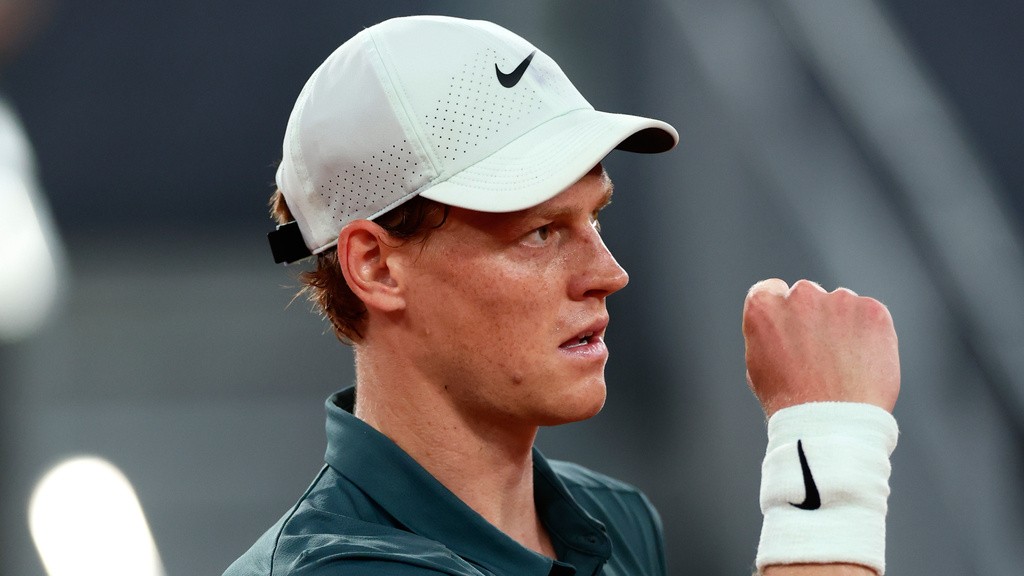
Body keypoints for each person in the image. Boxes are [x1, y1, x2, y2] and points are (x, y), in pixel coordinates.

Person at [225, 15, 900, 576]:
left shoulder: (620, 520)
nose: (607, 273)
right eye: (540, 231)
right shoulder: (335, 569)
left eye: (595, 218)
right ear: (375, 267)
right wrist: (829, 455)